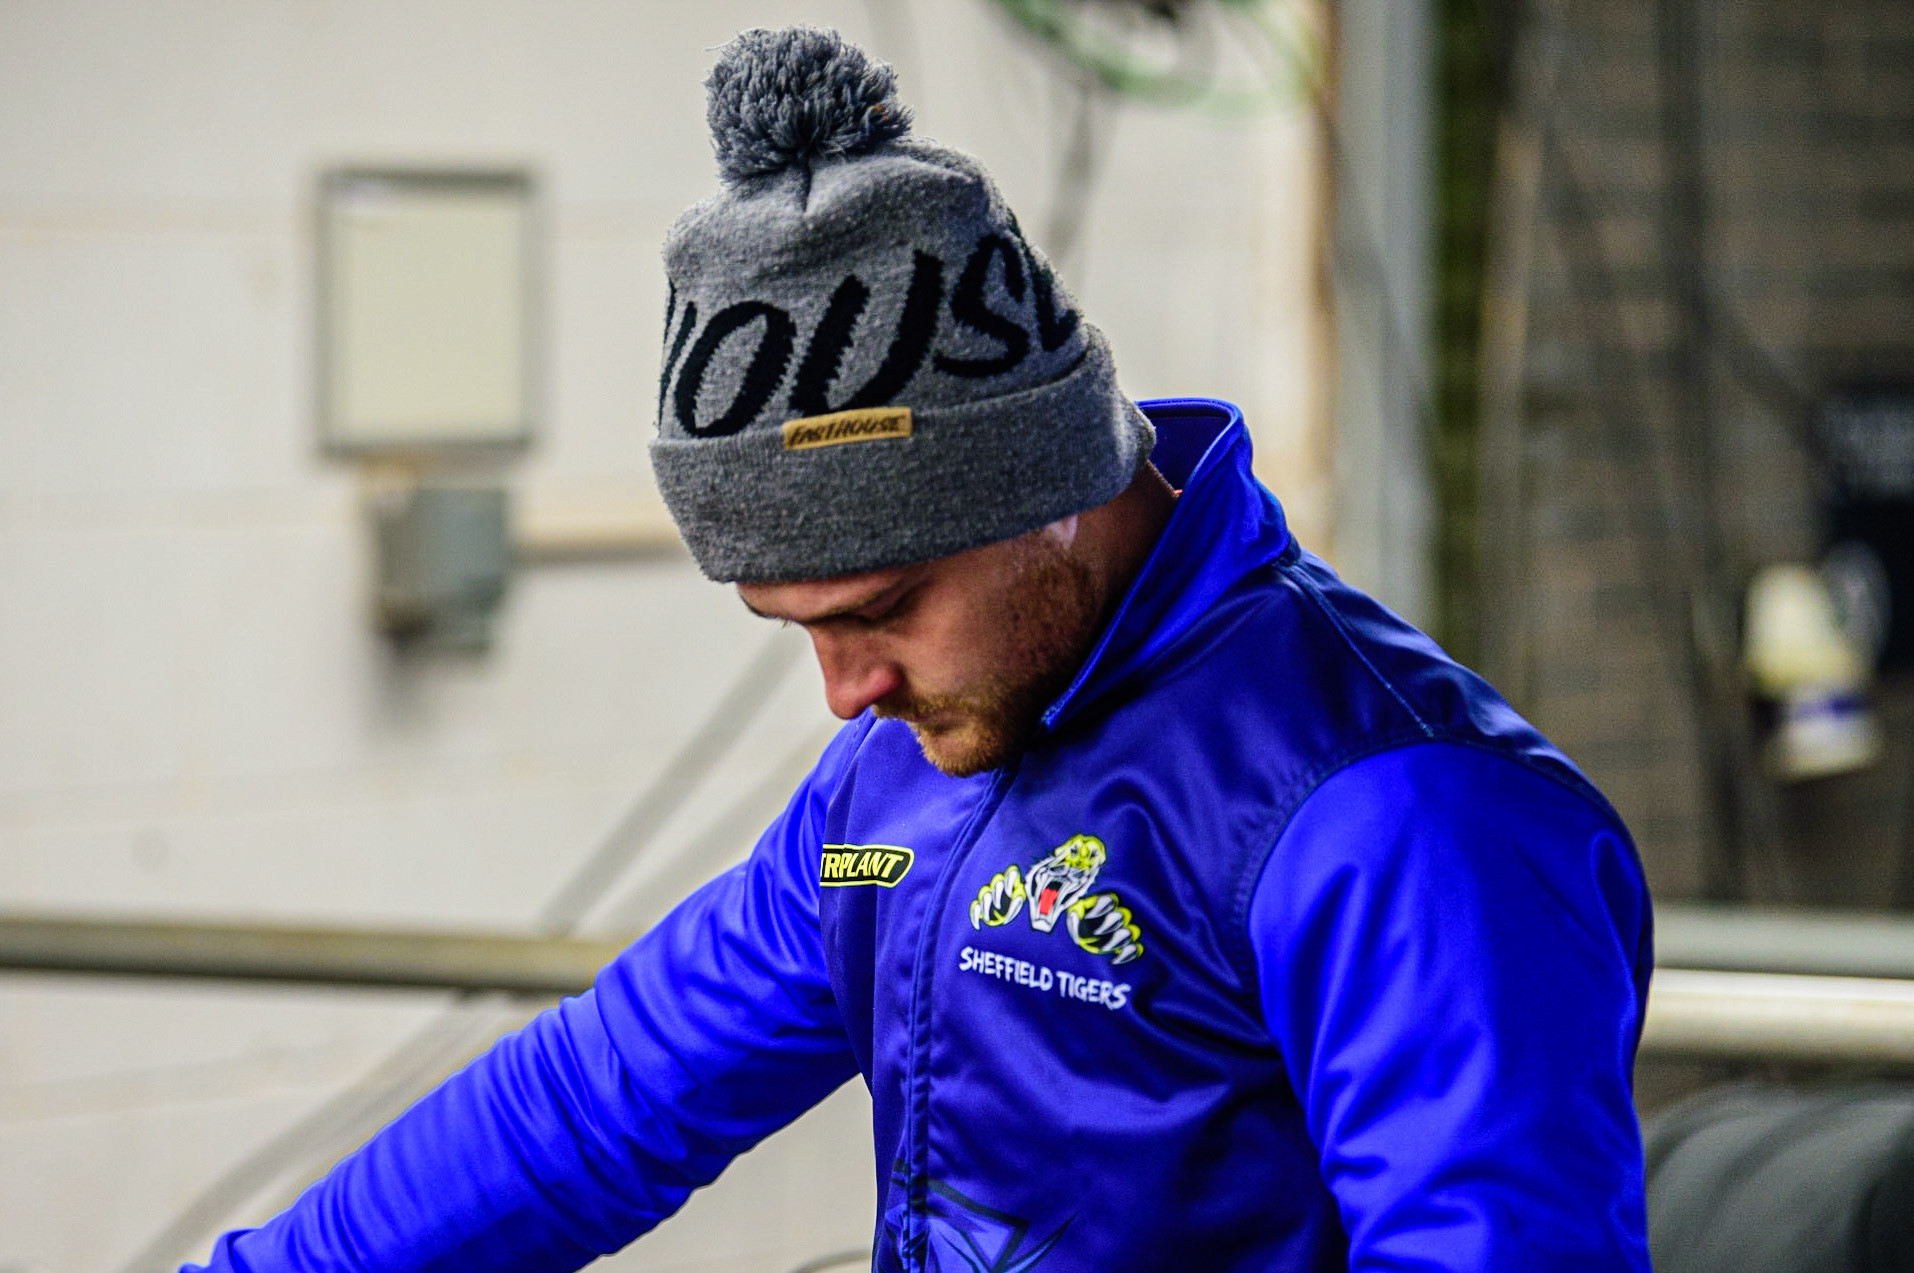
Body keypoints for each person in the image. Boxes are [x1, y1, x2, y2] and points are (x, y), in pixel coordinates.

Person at [189, 26, 1652, 1273]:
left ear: (1051, 496)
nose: (846, 693)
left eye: (880, 609)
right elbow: (603, 1095)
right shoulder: (884, 805)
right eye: (797, 630)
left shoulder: (1392, 819)